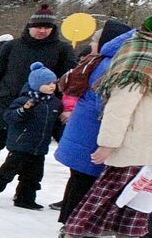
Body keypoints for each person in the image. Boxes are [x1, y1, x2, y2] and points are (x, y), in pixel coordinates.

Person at [50, 10, 152, 238]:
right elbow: (119, 107)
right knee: (100, 198)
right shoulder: (140, 59)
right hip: (131, 145)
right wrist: (108, 143)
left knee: (141, 204)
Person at [0, 6, 77, 196]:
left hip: (38, 110)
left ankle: (26, 190)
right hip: (4, 103)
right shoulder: (12, 46)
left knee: (30, 152)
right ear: (29, 26)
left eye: (47, 27)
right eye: (38, 26)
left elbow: (69, 82)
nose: (42, 30)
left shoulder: (62, 49)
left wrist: (63, 107)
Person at [53, 21, 133, 221]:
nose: (92, 44)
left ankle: (68, 219)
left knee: (78, 178)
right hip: (92, 131)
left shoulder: (100, 61)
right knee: (86, 181)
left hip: (82, 128)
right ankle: (74, 225)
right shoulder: (112, 64)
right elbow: (105, 104)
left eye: (94, 40)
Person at [0, 63, 62, 208]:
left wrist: (60, 137)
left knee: (33, 176)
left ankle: (25, 198)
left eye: (54, 83)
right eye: (47, 83)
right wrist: (23, 110)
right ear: (36, 84)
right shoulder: (24, 100)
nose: (52, 86)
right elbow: (9, 117)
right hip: (21, 144)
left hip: (39, 146)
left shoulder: (55, 103)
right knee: (7, 172)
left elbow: (55, 124)